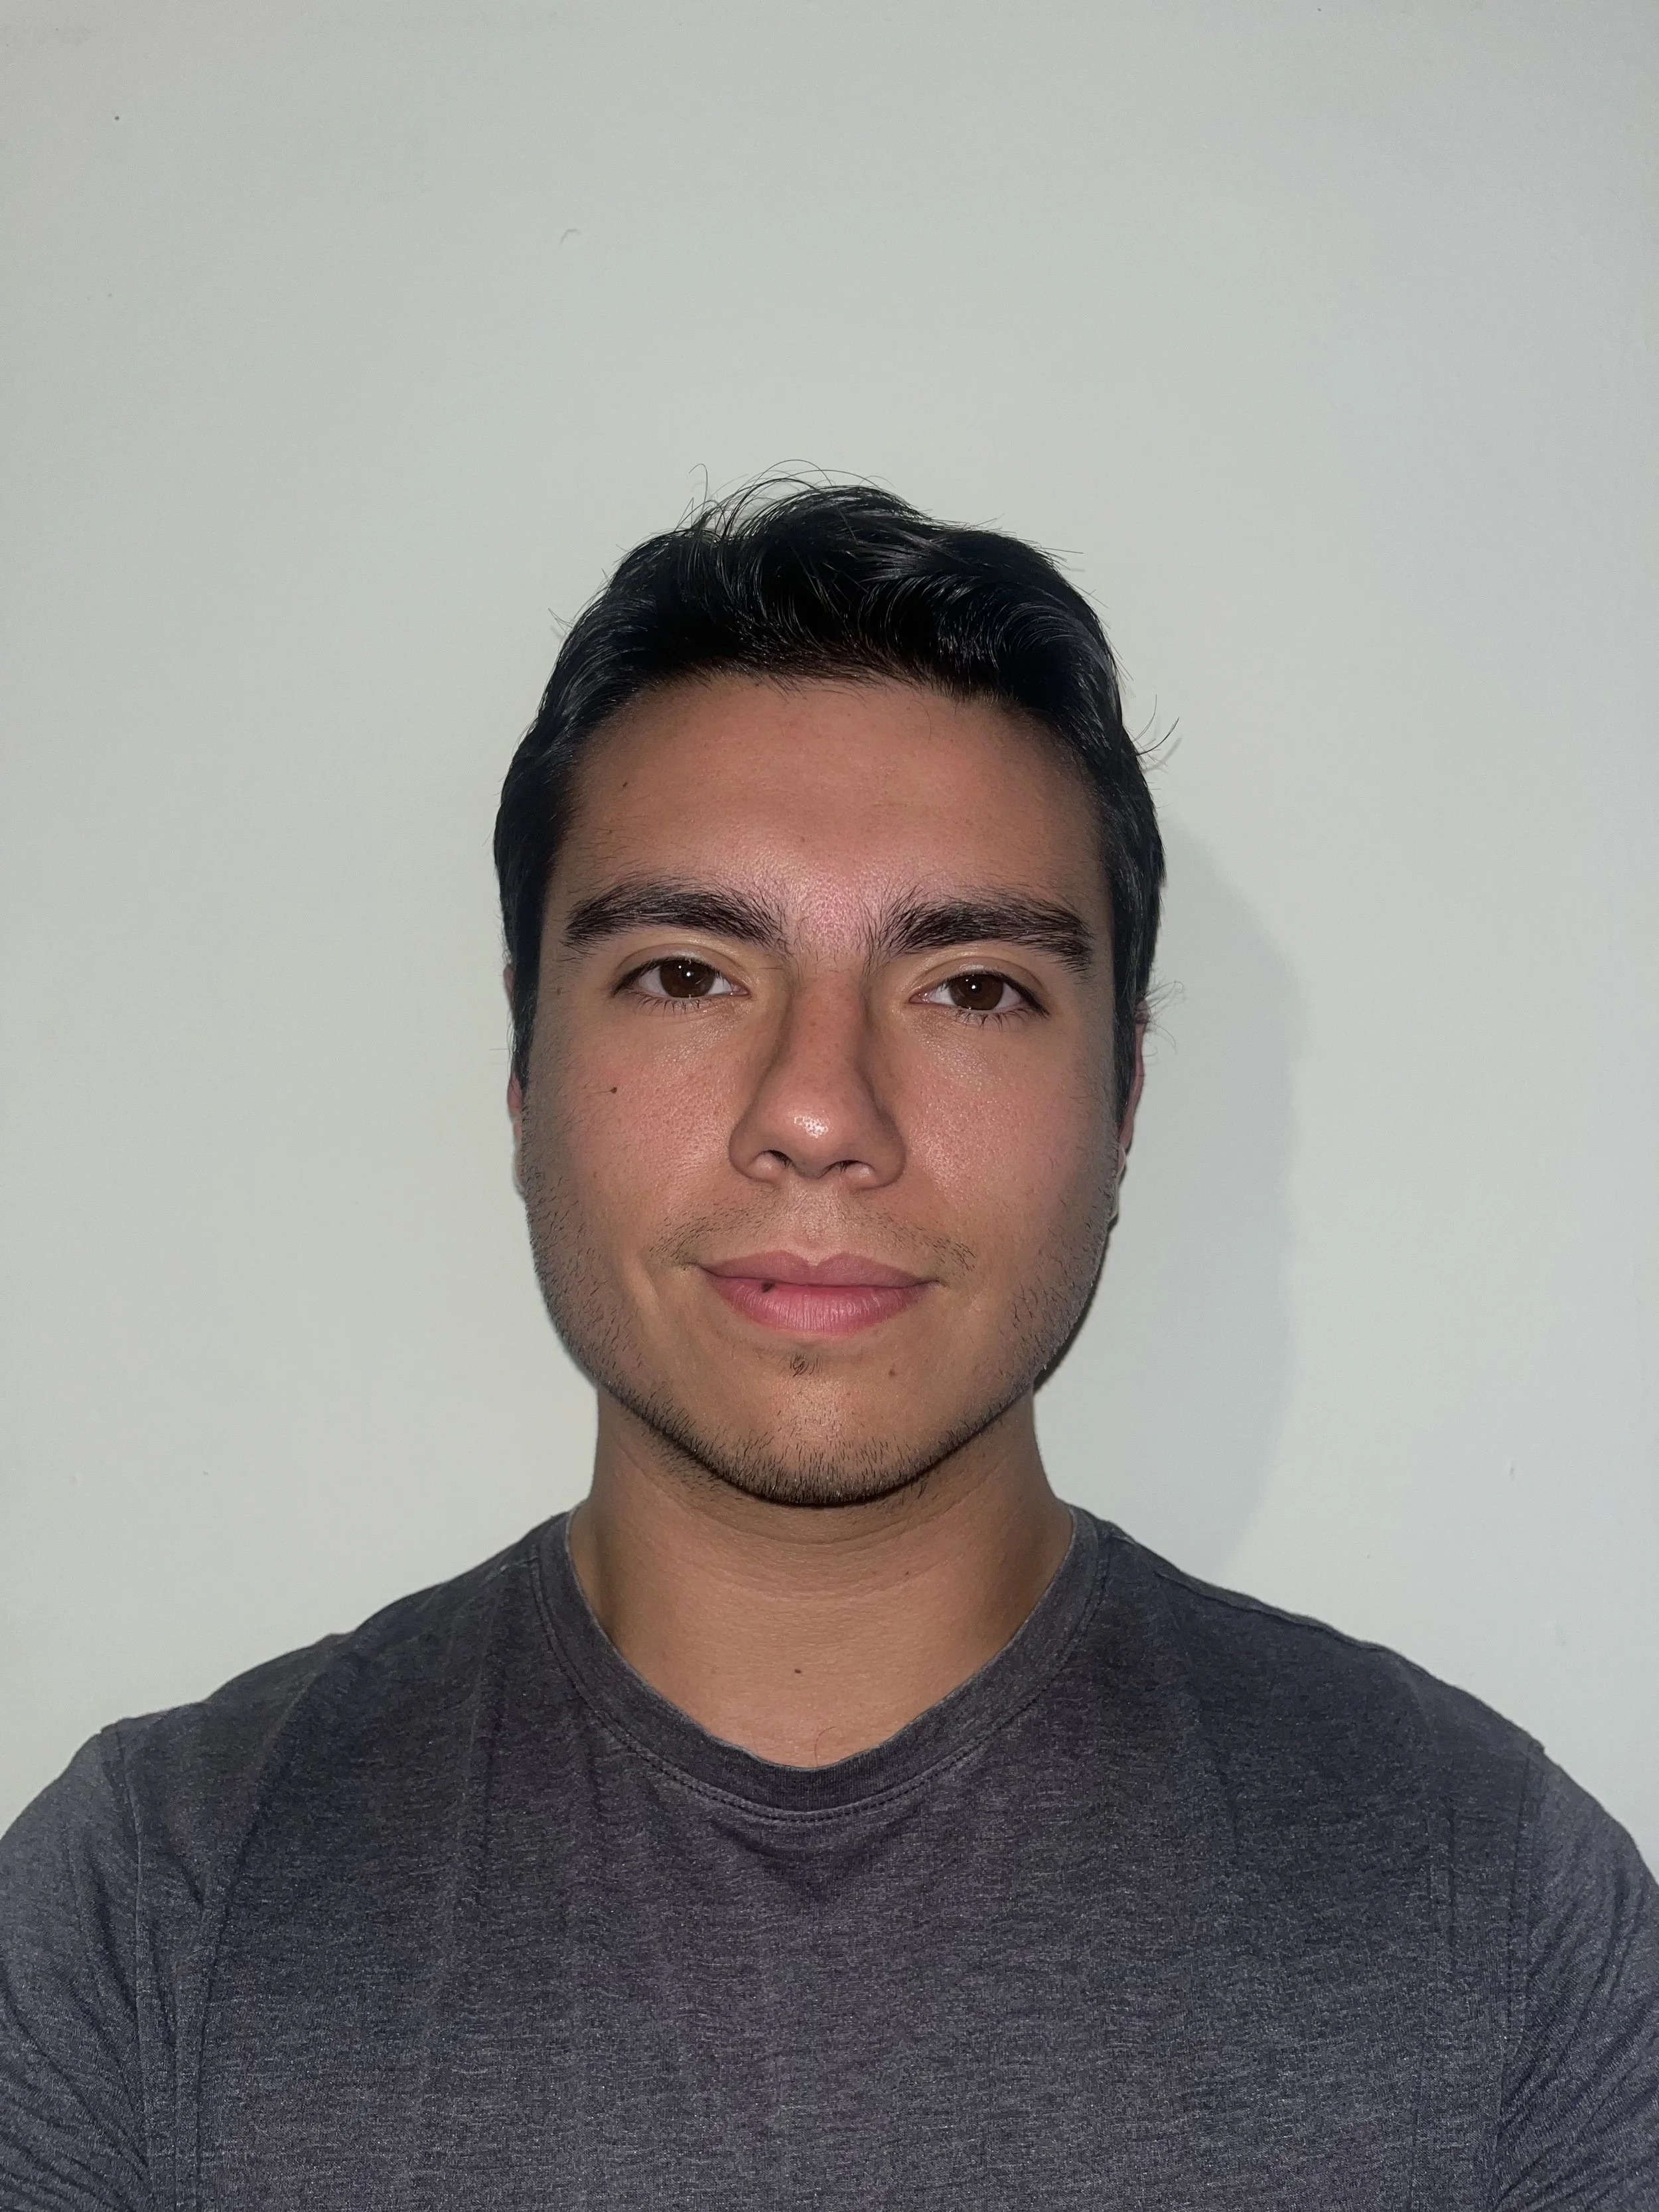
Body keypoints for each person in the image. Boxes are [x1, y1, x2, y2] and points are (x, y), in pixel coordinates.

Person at [2, 483, 1654, 2209]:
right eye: (686, 973)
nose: (816, 1113)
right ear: (522, 1074)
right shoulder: (149, 1918)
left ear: (1122, 1101)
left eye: (974, 987)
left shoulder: (1491, 1913)